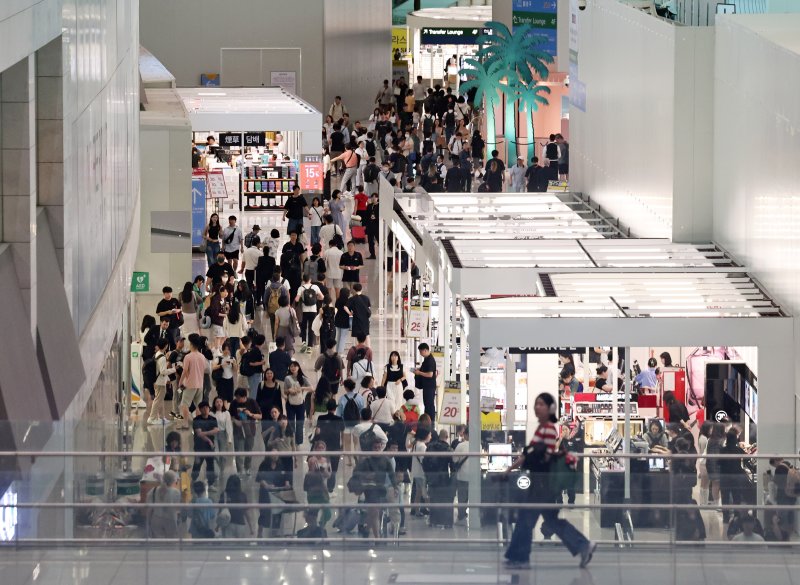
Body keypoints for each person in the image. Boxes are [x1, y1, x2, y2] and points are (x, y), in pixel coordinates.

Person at [504, 392, 596, 570]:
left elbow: (538, 455)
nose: (537, 407)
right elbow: (529, 454)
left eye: (541, 404)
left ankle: (519, 557)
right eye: (536, 404)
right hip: (542, 483)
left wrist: (512, 467)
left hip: (541, 483)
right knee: (549, 520)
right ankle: (583, 545)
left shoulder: (547, 429)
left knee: (526, 519)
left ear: (549, 408)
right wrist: (513, 466)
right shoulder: (544, 428)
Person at [229, 387, 262, 476]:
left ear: (244, 397)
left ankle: (247, 468)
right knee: (238, 451)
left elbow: (260, 416)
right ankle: (239, 471)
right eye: (236, 397)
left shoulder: (252, 402)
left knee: (249, 450)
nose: (237, 399)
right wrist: (235, 421)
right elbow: (230, 415)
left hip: (250, 431)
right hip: (238, 431)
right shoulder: (233, 403)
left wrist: (250, 414)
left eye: (239, 397)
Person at [314, 399, 345, 493]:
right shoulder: (339, 419)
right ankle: (330, 488)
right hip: (335, 447)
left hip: (323, 446)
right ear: (335, 409)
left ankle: (320, 485)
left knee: (321, 466)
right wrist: (342, 445)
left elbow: (317, 431)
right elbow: (342, 433)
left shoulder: (321, 418)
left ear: (327, 408)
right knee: (334, 469)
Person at [178, 334, 207, 429]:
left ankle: (185, 424)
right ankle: (198, 423)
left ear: (191, 344)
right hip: (200, 384)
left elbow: (185, 371)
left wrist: (180, 382)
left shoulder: (188, 357)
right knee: (198, 405)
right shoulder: (202, 356)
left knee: (184, 404)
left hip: (190, 384)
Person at [283, 361, 313, 445]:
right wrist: (289, 390)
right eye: (291, 366)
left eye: (295, 366)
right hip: (290, 404)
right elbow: (285, 391)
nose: (293, 368)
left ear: (298, 367)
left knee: (300, 423)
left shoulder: (302, 378)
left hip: (300, 404)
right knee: (291, 422)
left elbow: (311, 388)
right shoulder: (287, 378)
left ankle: (299, 441)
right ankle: (291, 439)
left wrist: (301, 388)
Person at [190, 400, 219, 487]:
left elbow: (216, 430)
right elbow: (199, 434)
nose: (205, 409)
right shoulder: (196, 419)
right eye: (203, 408)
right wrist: (209, 440)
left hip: (210, 448)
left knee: (210, 466)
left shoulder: (213, 419)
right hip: (199, 447)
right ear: (200, 409)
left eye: (207, 407)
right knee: (197, 465)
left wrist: (205, 433)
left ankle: (211, 484)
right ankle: (193, 481)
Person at [336, 379, 365, 462]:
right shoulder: (359, 397)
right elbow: (362, 411)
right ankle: (357, 457)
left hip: (346, 424)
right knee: (356, 442)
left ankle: (349, 461)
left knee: (347, 443)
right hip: (357, 424)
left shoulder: (342, 399)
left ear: (345, 387)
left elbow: (339, 414)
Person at [147, 470, 181, 538]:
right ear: (174, 481)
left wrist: (148, 522)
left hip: (156, 519)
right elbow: (177, 508)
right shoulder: (176, 492)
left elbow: (149, 508)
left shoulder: (153, 490)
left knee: (158, 544)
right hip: (171, 519)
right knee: (170, 544)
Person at [294, 274, 323, 353]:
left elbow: (296, 299)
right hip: (313, 310)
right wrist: (315, 298)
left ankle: (303, 343)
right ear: (310, 279)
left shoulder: (301, 288)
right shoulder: (315, 287)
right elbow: (322, 297)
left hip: (304, 310)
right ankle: (310, 346)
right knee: (311, 328)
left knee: (303, 327)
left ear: (303, 280)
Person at [411, 343, 437, 420]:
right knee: (427, 403)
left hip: (430, 386)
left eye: (421, 352)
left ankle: (430, 420)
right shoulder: (426, 359)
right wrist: (418, 369)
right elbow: (425, 368)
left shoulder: (430, 361)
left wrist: (419, 373)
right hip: (427, 385)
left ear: (425, 350)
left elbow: (430, 374)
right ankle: (427, 419)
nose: (420, 353)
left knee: (429, 404)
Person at [280, 230, 306, 301]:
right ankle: (288, 300)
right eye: (292, 235)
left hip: (297, 270)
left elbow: (302, 256)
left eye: (295, 235)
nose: (294, 237)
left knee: (296, 285)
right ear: (290, 236)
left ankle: (295, 301)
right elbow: (283, 257)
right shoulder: (286, 245)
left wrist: (303, 267)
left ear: (297, 236)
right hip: (287, 270)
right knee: (288, 285)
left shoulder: (299, 245)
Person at [453, 427, 471, 525]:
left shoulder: (460, 446)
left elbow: (454, 460)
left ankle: (461, 515)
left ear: (465, 434)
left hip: (462, 475)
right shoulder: (478, 445)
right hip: (474, 476)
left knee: (462, 497)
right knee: (472, 496)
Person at [211, 396, 233, 474]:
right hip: (213, 434)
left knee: (223, 453)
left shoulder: (226, 413)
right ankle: (218, 468)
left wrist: (229, 438)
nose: (219, 403)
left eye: (220, 402)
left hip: (222, 434)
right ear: (214, 403)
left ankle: (222, 469)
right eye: (217, 402)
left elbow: (228, 426)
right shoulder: (211, 413)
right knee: (215, 453)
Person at [363, 194, 379, 259]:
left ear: (377, 198)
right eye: (372, 197)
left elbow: (381, 216)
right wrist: (364, 225)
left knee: (379, 240)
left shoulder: (380, 206)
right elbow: (366, 216)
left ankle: (384, 254)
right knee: (370, 241)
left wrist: (376, 217)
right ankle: (372, 254)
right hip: (370, 226)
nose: (373, 199)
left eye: (374, 197)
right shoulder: (369, 206)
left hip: (377, 226)